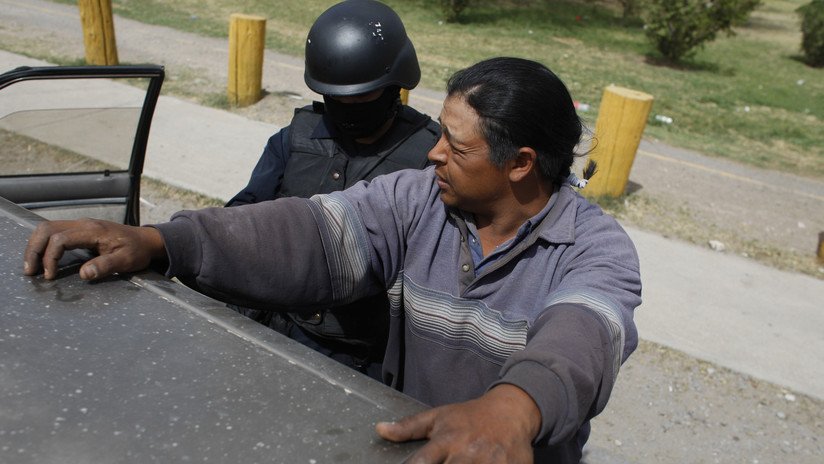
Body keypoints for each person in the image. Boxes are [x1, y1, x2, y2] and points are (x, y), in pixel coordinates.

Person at [24, 57, 642, 462]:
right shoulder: (416, 199)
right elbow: (310, 234)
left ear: (521, 163)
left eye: (456, 146)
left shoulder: (595, 248)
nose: (432, 156)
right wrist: (165, 242)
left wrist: (513, 408)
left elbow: (584, 335)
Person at [226, 0, 440, 380]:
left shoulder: (429, 156)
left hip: (367, 359)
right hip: (278, 329)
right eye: (338, 99)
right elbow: (242, 219)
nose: (350, 108)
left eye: (363, 97)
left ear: (394, 88)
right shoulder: (295, 138)